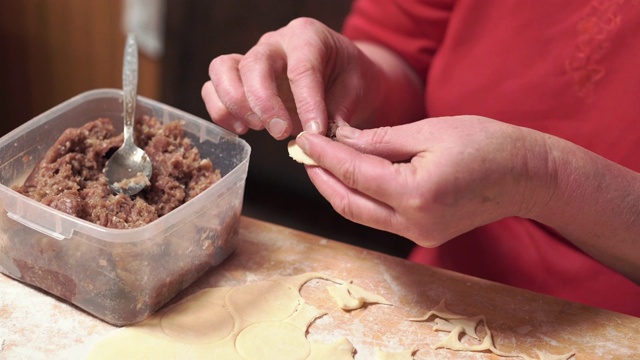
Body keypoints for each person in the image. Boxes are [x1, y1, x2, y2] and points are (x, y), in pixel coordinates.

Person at [201, 0, 640, 317]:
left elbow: (538, 176)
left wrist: (540, 177)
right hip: (439, 299)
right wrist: (355, 80)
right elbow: (403, 53)